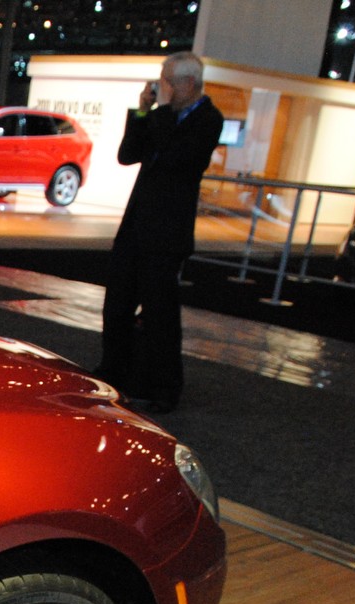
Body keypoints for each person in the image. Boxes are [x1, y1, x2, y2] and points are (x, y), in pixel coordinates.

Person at [96, 52, 224, 414]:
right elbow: (128, 154)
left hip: (167, 233)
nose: (161, 86)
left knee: (160, 313)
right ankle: (113, 371)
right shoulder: (159, 116)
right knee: (117, 305)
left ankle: (165, 386)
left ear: (188, 83)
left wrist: (162, 113)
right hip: (136, 226)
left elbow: (174, 158)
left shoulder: (208, 119)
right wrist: (142, 112)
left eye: (167, 80)